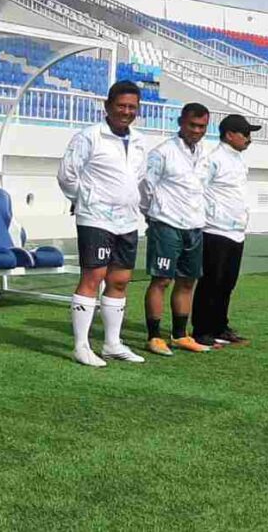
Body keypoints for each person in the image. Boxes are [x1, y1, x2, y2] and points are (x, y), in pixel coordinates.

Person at [57, 81, 149, 367]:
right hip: (96, 219)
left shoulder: (139, 140)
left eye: (132, 107)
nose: (126, 111)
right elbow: (67, 175)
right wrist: (86, 200)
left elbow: (138, 177)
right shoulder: (89, 137)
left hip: (127, 220)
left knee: (119, 280)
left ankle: (112, 343)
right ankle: (81, 346)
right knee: (93, 277)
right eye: (121, 106)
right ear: (107, 106)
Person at [140, 103, 212, 356]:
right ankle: (154, 337)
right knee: (162, 280)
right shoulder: (162, 152)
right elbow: (145, 187)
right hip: (166, 224)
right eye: (192, 125)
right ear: (180, 122)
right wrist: (153, 216)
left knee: (187, 281)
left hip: (194, 226)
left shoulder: (204, 153)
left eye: (202, 126)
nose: (197, 131)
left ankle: (180, 335)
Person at [192, 115, 258, 347]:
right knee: (211, 282)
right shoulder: (213, 158)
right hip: (215, 230)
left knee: (228, 283)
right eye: (245, 134)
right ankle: (202, 330)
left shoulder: (238, 159)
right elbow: (197, 188)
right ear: (229, 135)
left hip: (236, 230)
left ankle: (220, 326)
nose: (249, 139)